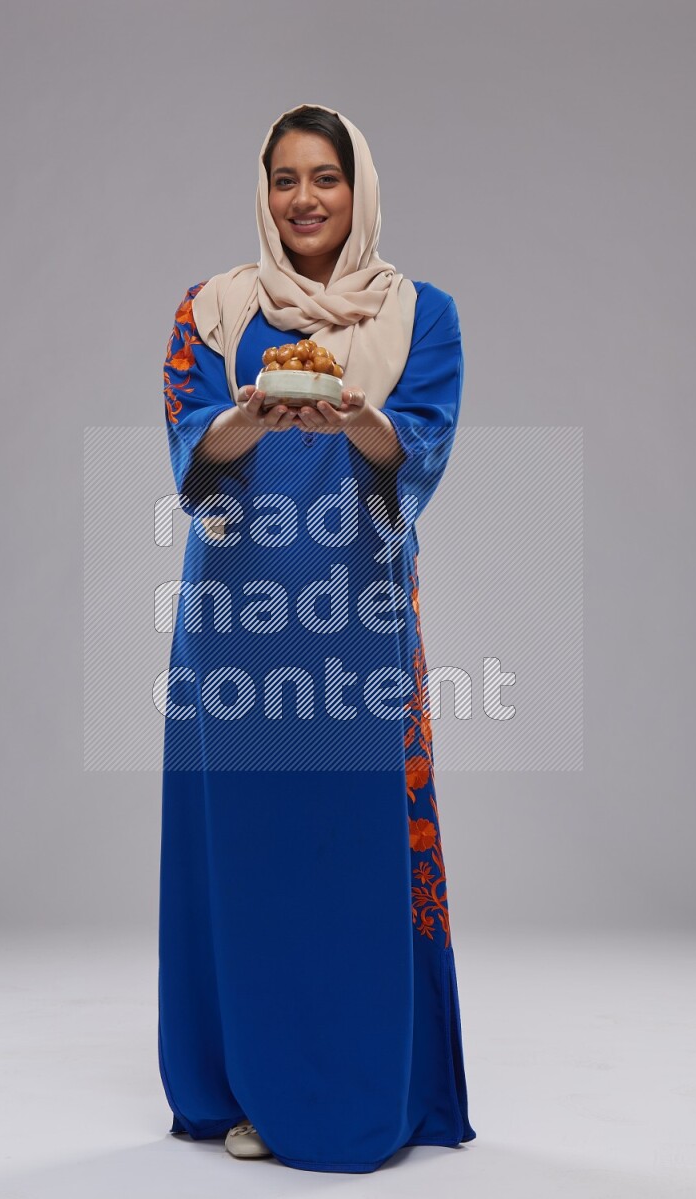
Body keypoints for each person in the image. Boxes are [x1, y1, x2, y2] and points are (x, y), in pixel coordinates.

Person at [158, 101, 477, 1175]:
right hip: (236, 622)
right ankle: (245, 1079)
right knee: (248, 852)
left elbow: (416, 447)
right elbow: (192, 450)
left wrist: (352, 414)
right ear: (264, 189)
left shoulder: (417, 313)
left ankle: (352, 1088)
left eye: (326, 177)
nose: (305, 199)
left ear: (359, 187)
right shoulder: (211, 311)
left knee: (349, 854)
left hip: (358, 617)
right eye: (286, 178)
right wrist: (249, 415)